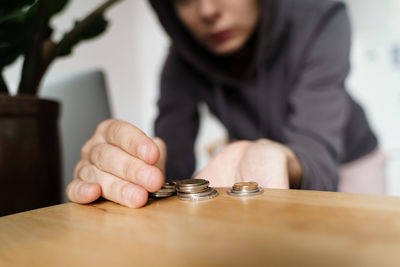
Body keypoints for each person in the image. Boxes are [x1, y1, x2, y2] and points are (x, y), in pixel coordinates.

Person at [66, 0, 385, 209]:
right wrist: (137, 174)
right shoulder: (181, 62)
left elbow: (319, 158)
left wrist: (278, 158)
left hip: (350, 157)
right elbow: (172, 165)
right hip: (254, 158)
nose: (207, 10)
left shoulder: (322, 16)